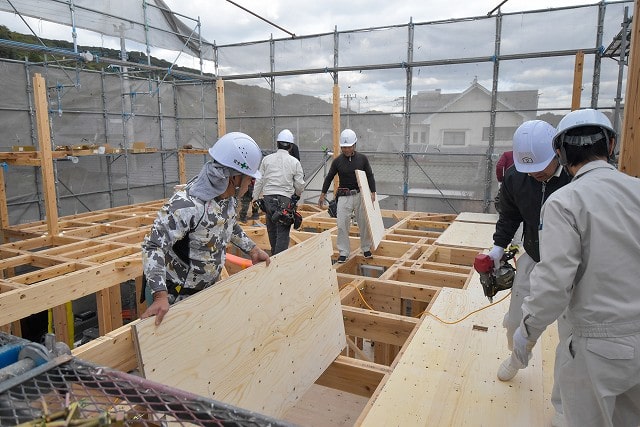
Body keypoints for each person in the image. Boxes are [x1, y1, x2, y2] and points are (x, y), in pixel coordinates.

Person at [512, 109, 640, 426]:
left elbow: (554, 285)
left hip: (598, 344)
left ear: (561, 152)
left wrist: (525, 335)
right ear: (610, 145)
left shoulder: (566, 201)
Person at [488, 120, 571, 424]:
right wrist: (498, 247)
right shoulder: (515, 177)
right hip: (533, 257)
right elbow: (509, 215)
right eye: (530, 168)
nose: (536, 173)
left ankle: (563, 406)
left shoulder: (575, 178)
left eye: (542, 167)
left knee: (571, 339)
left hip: (572, 266)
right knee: (514, 322)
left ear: (557, 153)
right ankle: (517, 358)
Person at [141, 132, 271, 326]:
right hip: (173, 297)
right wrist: (160, 296)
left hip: (202, 293)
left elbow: (227, 224)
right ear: (234, 178)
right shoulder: (187, 205)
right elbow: (153, 246)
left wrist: (252, 249)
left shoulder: (226, 199)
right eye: (249, 179)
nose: (251, 184)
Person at [318, 129, 376, 263]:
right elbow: (329, 177)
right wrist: (322, 194)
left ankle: (366, 248)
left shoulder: (362, 159)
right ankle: (343, 252)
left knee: (363, 223)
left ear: (354, 145)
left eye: (348, 147)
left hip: (360, 195)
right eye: (343, 147)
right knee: (342, 224)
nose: (346, 149)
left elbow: (370, 175)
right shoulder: (337, 161)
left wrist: (373, 192)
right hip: (344, 196)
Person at [253, 129, 305, 255]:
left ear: (277, 144)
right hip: (285, 200)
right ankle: (279, 261)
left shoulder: (267, 160)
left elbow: (259, 180)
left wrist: (254, 198)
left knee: (271, 229)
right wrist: (296, 196)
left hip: (268, 199)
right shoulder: (294, 162)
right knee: (283, 232)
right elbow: (299, 185)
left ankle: (273, 256)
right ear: (291, 146)